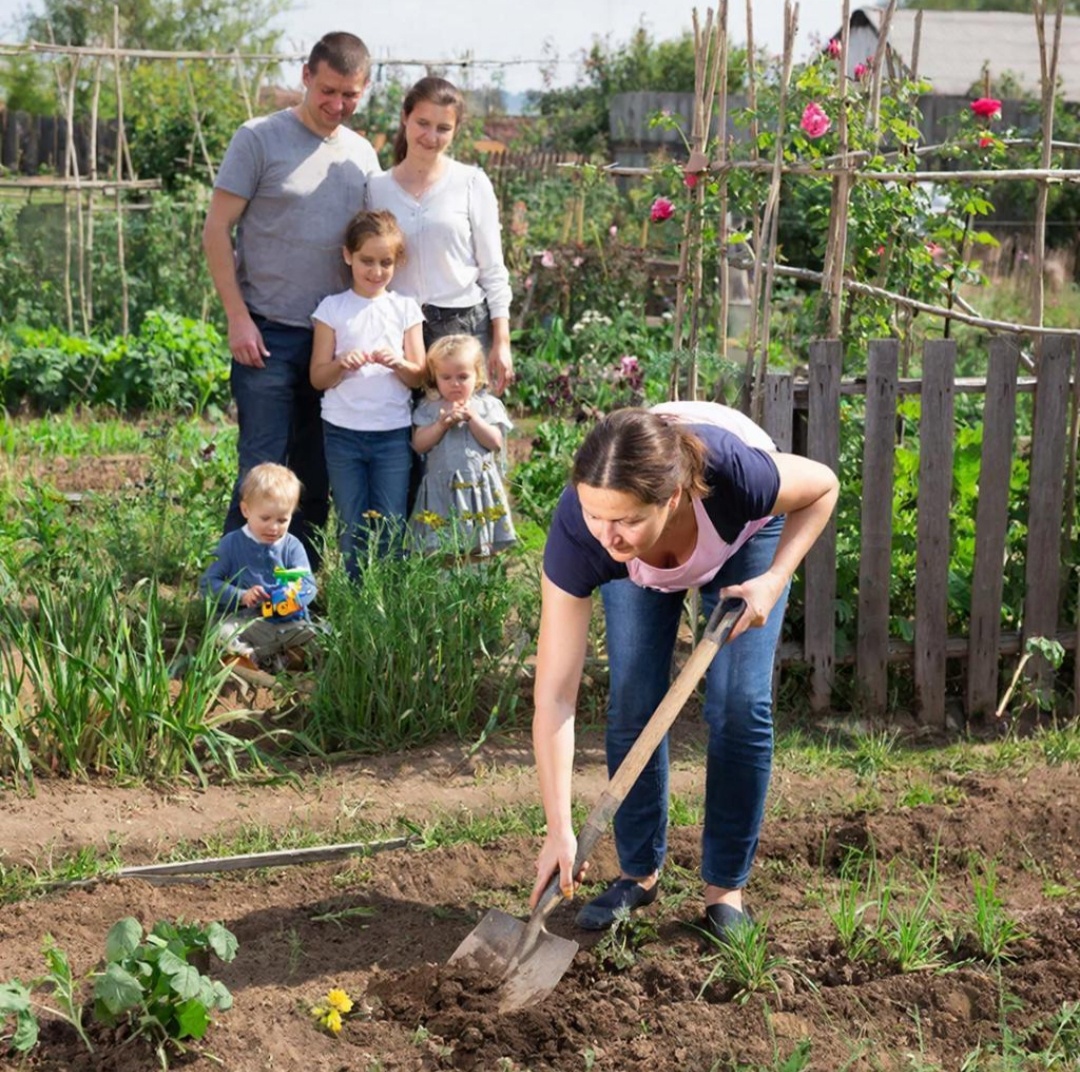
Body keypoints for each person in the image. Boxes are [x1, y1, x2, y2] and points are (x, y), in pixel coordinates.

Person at [528, 402, 839, 941]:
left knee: (739, 704)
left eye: (625, 519)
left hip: (743, 540)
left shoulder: (735, 476)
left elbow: (823, 487)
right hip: (646, 568)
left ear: (671, 498)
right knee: (632, 697)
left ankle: (725, 892)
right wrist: (559, 829)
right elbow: (555, 697)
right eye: (597, 515)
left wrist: (773, 580)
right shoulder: (585, 534)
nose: (608, 533)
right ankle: (638, 873)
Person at [203, 31, 381, 570]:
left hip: (332, 341)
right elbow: (216, 230)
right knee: (260, 472)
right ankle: (233, 591)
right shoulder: (259, 139)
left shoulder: (361, 155)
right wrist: (238, 318)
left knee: (315, 471)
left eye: (350, 95)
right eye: (328, 90)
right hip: (268, 332)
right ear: (305, 75)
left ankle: (296, 592)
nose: (337, 105)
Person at [364, 76, 513, 394]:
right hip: (397, 331)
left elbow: (493, 270)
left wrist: (501, 341)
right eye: (422, 123)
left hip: (462, 331)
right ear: (405, 117)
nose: (431, 136)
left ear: (456, 130)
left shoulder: (472, 183)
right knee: (403, 436)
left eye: (443, 128)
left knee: (465, 435)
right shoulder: (375, 188)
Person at [309, 209, 425, 577]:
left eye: (386, 262)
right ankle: (356, 604)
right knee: (351, 524)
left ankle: (388, 606)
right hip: (342, 433)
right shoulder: (332, 309)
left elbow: (418, 376)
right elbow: (317, 377)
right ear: (348, 256)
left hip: (391, 433)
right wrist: (342, 363)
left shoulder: (405, 309)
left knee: (391, 522)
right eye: (367, 261)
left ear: (398, 262)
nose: (376, 271)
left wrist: (399, 364)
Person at [200, 463, 318, 667]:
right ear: (245, 510)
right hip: (247, 622)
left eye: (282, 520)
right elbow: (208, 584)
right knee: (219, 631)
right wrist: (241, 595)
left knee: (324, 634)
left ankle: (282, 658)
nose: (273, 527)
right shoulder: (232, 544)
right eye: (265, 518)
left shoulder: (292, 546)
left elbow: (309, 584)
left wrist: (292, 596)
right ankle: (251, 658)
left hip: (288, 624)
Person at [410, 334, 517, 557]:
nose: (454, 383)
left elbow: (495, 442)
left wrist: (474, 419)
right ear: (435, 378)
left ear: (477, 375)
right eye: (446, 377)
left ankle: (479, 582)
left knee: (481, 545)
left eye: (462, 376)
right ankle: (447, 585)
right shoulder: (430, 408)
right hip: (443, 489)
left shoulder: (486, 405)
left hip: (477, 486)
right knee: (443, 548)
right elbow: (419, 444)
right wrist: (440, 425)